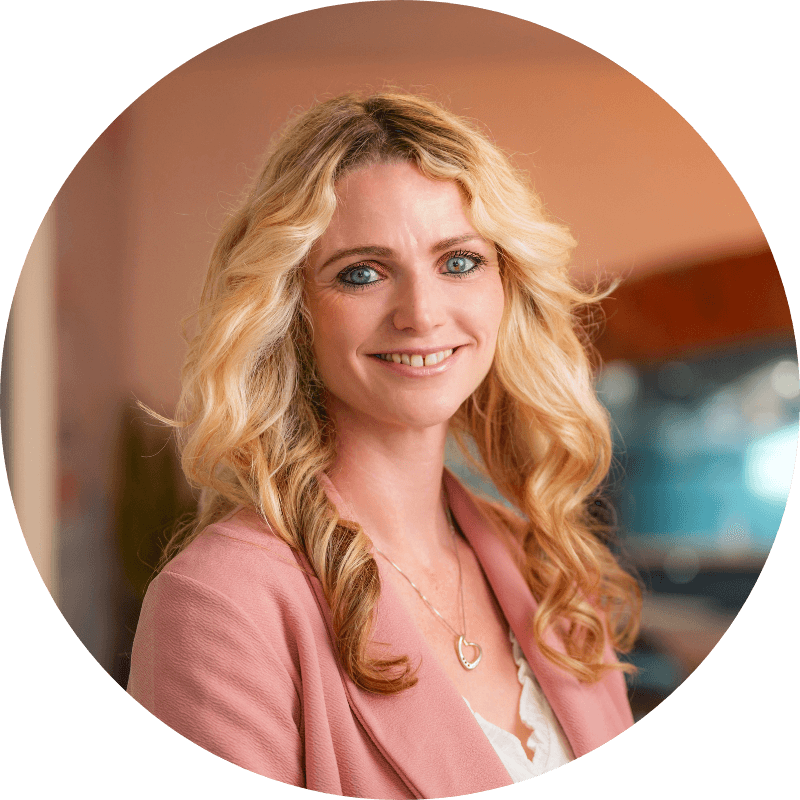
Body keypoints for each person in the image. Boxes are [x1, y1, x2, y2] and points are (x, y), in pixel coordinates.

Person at [127, 92, 641, 798]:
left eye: (458, 261)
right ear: (293, 311)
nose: (422, 314)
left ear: (505, 285)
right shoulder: (220, 606)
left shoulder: (550, 570)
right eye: (361, 272)